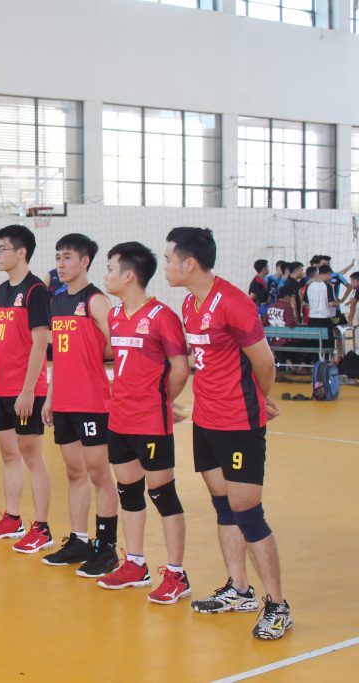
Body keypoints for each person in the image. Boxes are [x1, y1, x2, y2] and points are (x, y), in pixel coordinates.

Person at [165, 226, 291, 641]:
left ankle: (278, 605)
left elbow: (265, 362)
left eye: (169, 259)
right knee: (223, 504)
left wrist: (260, 398)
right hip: (207, 419)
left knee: (247, 511)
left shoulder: (233, 303)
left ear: (189, 263)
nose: (166, 266)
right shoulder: (189, 303)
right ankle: (239, 590)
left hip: (238, 422)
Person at [97, 242, 192, 604]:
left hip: (150, 422)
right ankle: (135, 564)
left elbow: (180, 368)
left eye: (110, 269)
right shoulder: (115, 315)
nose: (106, 275)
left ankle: (177, 575)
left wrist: (161, 401)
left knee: (163, 494)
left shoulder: (162, 317)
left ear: (128, 276)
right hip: (119, 419)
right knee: (129, 492)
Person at [41, 233, 120, 579]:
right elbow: (59, 356)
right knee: (74, 473)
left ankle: (106, 548)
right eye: (58, 257)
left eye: (67, 257)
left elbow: (120, 344)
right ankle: (79, 541)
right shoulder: (58, 301)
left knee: (100, 474)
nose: (60, 264)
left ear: (84, 261)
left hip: (92, 403)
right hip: (64, 402)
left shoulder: (96, 301)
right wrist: (50, 396)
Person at [0, 225, 54, 553]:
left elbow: (40, 344)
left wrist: (28, 390)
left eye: (2, 249)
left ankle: (42, 528)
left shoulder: (36, 291)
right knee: (9, 455)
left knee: (32, 457)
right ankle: (12, 518)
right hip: (2, 389)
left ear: (21, 252)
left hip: (26, 390)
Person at [304, 265, 341, 358]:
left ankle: (315, 360)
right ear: (328, 273)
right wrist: (338, 302)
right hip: (325, 319)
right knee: (327, 343)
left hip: (312, 318)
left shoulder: (309, 285)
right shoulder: (328, 285)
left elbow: (305, 303)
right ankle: (327, 360)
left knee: (315, 342)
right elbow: (331, 303)